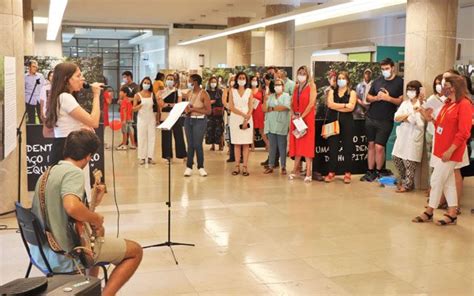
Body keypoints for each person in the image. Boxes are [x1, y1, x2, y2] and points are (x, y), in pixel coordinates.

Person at [31, 130, 142, 296]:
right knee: (135, 251)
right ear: (89, 156)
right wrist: (96, 218)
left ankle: (90, 288)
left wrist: (94, 202)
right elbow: (72, 207)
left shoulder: (48, 173)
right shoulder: (74, 173)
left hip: (43, 252)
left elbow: (68, 216)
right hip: (66, 254)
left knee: (97, 240)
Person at [413, 75, 472, 225]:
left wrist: (451, 150)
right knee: (448, 182)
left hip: (451, 151)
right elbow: (441, 124)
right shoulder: (447, 103)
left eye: (447, 85)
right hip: (441, 148)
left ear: (455, 87)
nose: (444, 88)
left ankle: (430, 210)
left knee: (436, 179)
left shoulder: (464, 104)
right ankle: (452, 213)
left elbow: (464, 132)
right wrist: (430, 118)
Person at [361, 58, 404, 182]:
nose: (385, 71)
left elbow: (400, 100)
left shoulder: (399, 82)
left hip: (386, 120)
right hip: (371, 117)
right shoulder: (378, 81)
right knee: (371, 145)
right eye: (383, 69)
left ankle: (379, 171)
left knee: (380, 147)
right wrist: (376, 98)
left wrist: (388, 98)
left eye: (387, 69)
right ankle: (370, 171)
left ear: (393, 68)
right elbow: (368, 97)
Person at [392, 80, 425, 192]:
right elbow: (396, 117)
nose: (410, 92)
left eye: (413, 89)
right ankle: (403, 179)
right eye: (409, 89)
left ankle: (408, 185)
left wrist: (405, 117)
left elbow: (417, 121)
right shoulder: (405, 103)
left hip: (414, 135)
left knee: (409, 161)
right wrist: (407, 116)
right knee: (396, 157)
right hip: (403, 134)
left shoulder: (421, 104)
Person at [325, 71, 357, 183]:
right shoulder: (331, 91)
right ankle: (331, 172)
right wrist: (344, 105)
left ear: (347, 80)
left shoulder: (352, 93)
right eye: (339, 78)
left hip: (347, 123)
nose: (341, 80)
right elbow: (330, 104)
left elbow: (351, 107)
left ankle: (347, 173)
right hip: (332, 123)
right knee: (333, 148)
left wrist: (336, 106)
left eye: (343, 78)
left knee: (347, 148)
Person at [289, 66, 317, 183]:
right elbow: (291, 103)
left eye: (303, 73)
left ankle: (309, 172)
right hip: (296, 119)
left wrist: (302, 116)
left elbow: (311, 103)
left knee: (307, 145)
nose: (301, 75)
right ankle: (295, 169)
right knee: (298, 144)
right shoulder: (296, 87)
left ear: (308, 74)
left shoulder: (312, 86)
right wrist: (293, 114)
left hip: (307, 119)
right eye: (299, 73)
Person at [183, 74, 212, 177]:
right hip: (188, 120)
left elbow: (208, 111)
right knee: (190, 144)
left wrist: (194, 109)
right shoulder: (189, 93)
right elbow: (187, 108)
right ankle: (189, 166)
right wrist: (186, 109)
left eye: (190, 81)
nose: (188, 83)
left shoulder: (204, 94)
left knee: (197, 144)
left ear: (195, 82)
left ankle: (201, 166)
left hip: (200, 121)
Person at [262, 78, 291, 175]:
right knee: (272, 147)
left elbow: (285, 107)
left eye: (279, 84)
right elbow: (264, 109)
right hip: (271, 125)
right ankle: (270, 166)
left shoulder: (286, 96)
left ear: (283, 86)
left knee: (282, 147)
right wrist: (265, 100)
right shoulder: (270, 96)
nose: (277, 86)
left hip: (281, 125)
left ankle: (283, 166)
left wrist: (272, 108)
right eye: (276, 85)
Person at [229, 72, 254, 176]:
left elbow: (251, 106)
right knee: (237, 143)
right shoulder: (232, 91)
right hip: (235, 118)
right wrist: (243, 115)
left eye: (243, 78)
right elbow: (231, 107)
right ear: (236, 79)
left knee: (246, 143)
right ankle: (237, 166)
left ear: (246, 80)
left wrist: (247, 116)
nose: (242, 79)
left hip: (247, 118)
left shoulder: (249, 91)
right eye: (240, 78)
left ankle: (245, 167)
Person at [158, 74, 187, 161]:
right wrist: (169, 105)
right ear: (165, 81)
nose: (170, 80)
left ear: (174, 82)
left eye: (171, 79)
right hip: (165, 115)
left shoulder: (178, 91)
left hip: (175, 115)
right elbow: (161, 104)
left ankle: (182, 155)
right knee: (166, 135)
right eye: (168, 79)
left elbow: (179, 104)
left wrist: (168, 104)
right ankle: (167, 156)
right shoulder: (162, 92)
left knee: (179, 135)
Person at [133, 77, 159, 165]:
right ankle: (142, 157)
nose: (146, 84)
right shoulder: (137, 95)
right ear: (142, 83)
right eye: (145, 82)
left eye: (148, 83)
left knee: (152, 137)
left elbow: (156, 107)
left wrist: (157, 119)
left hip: (151, 118)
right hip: (141, 119)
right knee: (141, 137)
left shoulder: (152, 94)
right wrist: (140, 106)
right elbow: (133, 109)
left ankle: (150, 157)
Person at [116, 71, 139, 150]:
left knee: (131, 128)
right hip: (126, 112)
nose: (124, 79)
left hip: (131, 110)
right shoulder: (123, 86)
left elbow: (137, 97)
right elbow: (120, 98)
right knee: (127, 130)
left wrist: (130, 99)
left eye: (125, 77)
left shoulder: (135, 86)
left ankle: (134, 142)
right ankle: (126, 142)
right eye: (123, 77)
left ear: (129, 77)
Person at [205, 76, 225, 151]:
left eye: (214, 82)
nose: (213, 83)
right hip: (210, 113)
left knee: (219, 129)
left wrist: (215, 102)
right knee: (210, 129)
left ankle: (220, 144)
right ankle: (212, 145)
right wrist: (210, 102)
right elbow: (205, 102)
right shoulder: (207, 92)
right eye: (212, 82)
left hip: (218, 113)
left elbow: (222, 101)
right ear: (209, 83)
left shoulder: (219, 91)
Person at [250, 75, 268, 151]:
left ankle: (268, 144)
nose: (254, 81)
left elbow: (265, 100)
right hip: (251, 110)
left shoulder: (261, 90)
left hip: (259, 111)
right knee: (251, 129)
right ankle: (252, 146)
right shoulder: (248, 90)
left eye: (255, 80)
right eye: (253, 80)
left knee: (261, 129)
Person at [25, 60, 45, 124]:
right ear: (29, 67)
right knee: (31, 120)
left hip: (39, 100)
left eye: (36, 67)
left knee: (42, 118)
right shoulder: (24, 77)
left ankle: (41, 133)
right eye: (33, 66)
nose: (35, 68)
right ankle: (33, 133)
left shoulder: (40, 76)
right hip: (29, 100)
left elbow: (43, 88)